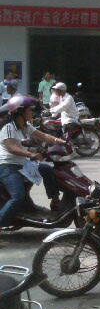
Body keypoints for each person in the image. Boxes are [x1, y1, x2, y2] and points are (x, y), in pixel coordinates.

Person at [0, 96, 67, 225]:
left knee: (47, 169)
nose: (32, 112)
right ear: (20, 111)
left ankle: (55, 200)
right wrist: (31, 155)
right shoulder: (8, 127)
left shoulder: (25, 126)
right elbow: (11, 147)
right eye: (29, 110)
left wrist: (60, 141)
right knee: (17, 197)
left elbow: (43, 136)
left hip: (22, 164)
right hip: (7, 166)